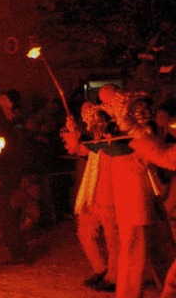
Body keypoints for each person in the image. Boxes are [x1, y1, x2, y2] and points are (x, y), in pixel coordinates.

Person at [113, 95, 176, 298]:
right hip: (136, 203)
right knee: (135, 252)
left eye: (147, 110)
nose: (146, 114)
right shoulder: (118, 143)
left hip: (151, 203)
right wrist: (134, 130)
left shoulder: (158, 132)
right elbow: (165, 156)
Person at [62, 102, 119, 292]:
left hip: (111, 200)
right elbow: (78, 149)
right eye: (92, 122)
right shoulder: (94, 144)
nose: (95, 125)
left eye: (98, 121)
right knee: (85, 233)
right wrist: (72, 131)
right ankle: (101, 269)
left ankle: (114, 276)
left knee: (113, 239)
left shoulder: (115, 142)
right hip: (91, 197)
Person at [0, 93, 33, 265]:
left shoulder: (0, 127)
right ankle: (18, 251)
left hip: (1, 174)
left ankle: (20, 252)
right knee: (1, 212)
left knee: (2, 213)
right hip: (0, 173)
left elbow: (2, 151)